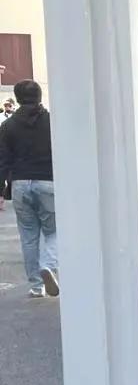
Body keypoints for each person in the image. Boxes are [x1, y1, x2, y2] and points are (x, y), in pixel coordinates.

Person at [0, 80, 58, 298]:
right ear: (40, 96)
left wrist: (0, 190)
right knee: (55, 230)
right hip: (48, 182)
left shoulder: (7, 126)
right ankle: (48, 265)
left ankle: (36, 285)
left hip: (20, 184)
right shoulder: (52, 122)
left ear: (17, 98)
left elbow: (3, 161)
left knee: (28, 236)